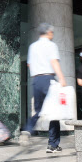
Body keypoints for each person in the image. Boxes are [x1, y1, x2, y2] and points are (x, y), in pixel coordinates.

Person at [21, 23, 67, 153]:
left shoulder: (33, 46)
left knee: (39, 110)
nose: (52, 34)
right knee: (55, 112)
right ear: (48, 32)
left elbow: (29, 64)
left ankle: (27, 130)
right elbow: (54, 62)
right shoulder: (51, 45)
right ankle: (53, 144)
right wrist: (62, 78)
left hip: (36, 80)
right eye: (52, 32)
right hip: (48, 79)